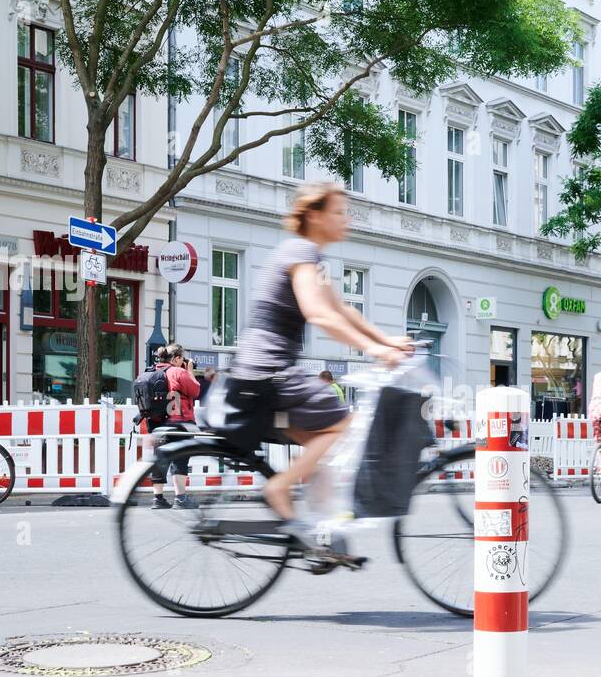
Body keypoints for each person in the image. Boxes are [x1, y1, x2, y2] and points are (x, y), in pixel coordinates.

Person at [226, 181, 410, 539]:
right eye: (339, 212)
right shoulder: (301, 252)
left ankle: (322, 535)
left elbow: (340, 309)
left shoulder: (310, 256)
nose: (348, 219)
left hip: (260, 368)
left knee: (318, 442)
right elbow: (320, 314)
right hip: (269, 368)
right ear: (314, 215)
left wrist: (387, 340)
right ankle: (279, 490)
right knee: (341, 424)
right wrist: (375, 351)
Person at [140, 344, 202, 509]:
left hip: (157, 423)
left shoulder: (151, 372)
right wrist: (189, 370)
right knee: (180, 460)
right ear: (176, 359)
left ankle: (158, 498)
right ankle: (180, 498)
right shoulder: (178, 372)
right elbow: (195, 390)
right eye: (182, 358)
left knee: (160, 459)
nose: (184, 361)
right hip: (179, 422)